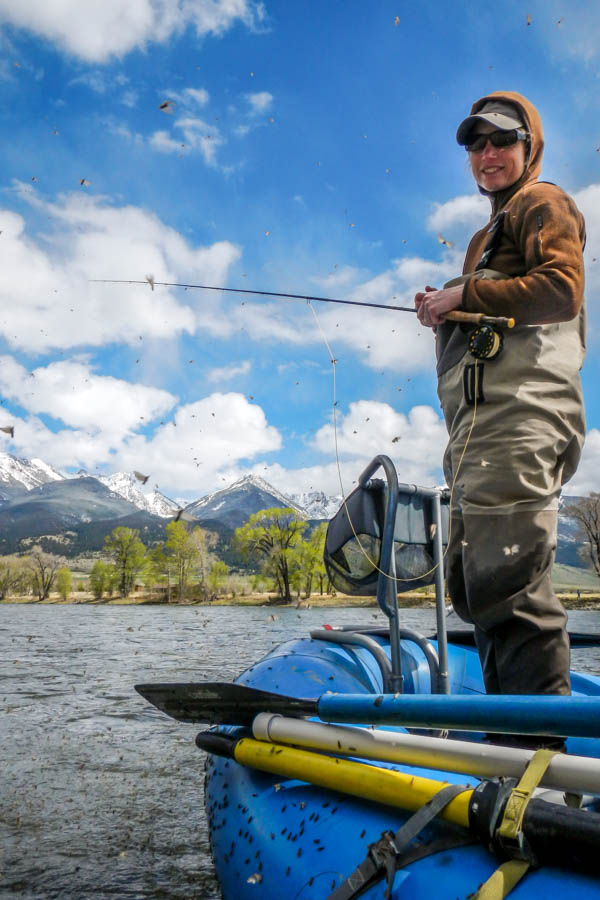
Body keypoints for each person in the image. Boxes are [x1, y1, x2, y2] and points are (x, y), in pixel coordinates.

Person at [414, 92, 586, 726]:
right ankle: (511, 738)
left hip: (520, 417)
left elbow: (563, 289)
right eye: (476, 143)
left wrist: (466, 292)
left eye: (502, 140)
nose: (488, 153)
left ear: (529, 147)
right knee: (475, 578)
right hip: (481, 430)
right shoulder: (489, 232)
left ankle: (535, 769)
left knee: (508, 581)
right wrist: (449, 306)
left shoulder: (543, 202)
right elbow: (494, 303)